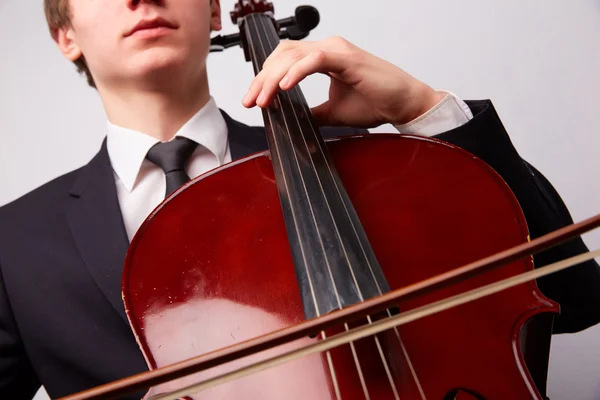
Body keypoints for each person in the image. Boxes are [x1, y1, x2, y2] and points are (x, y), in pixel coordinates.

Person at [1, 0, 599, 399]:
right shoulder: (16, 241)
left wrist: (420, 107)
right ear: (65, 35)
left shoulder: (367, 164)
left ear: (213, 10)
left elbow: (574, 297)